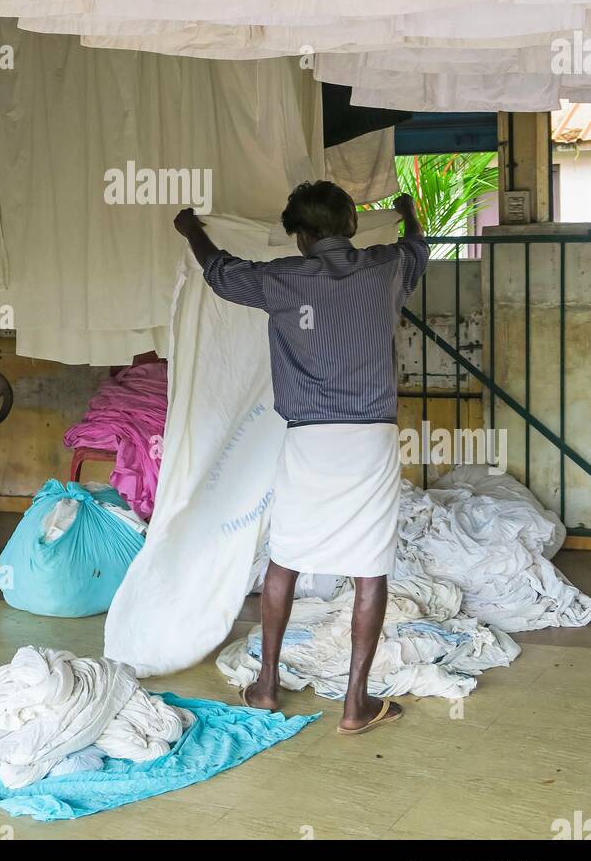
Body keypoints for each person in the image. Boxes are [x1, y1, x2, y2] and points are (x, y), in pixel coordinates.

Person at [174, 182, 428, 735]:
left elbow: (218, 271)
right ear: (351, 227)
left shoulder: (282, 278)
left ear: (302, 235)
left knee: (286, 556)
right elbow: (417, 246)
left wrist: (191, 229)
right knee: (370, 567)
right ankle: (355, 705)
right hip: (371, 437)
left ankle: (266, 685)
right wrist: (408, 212)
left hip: (309, 439)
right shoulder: (385, 268)